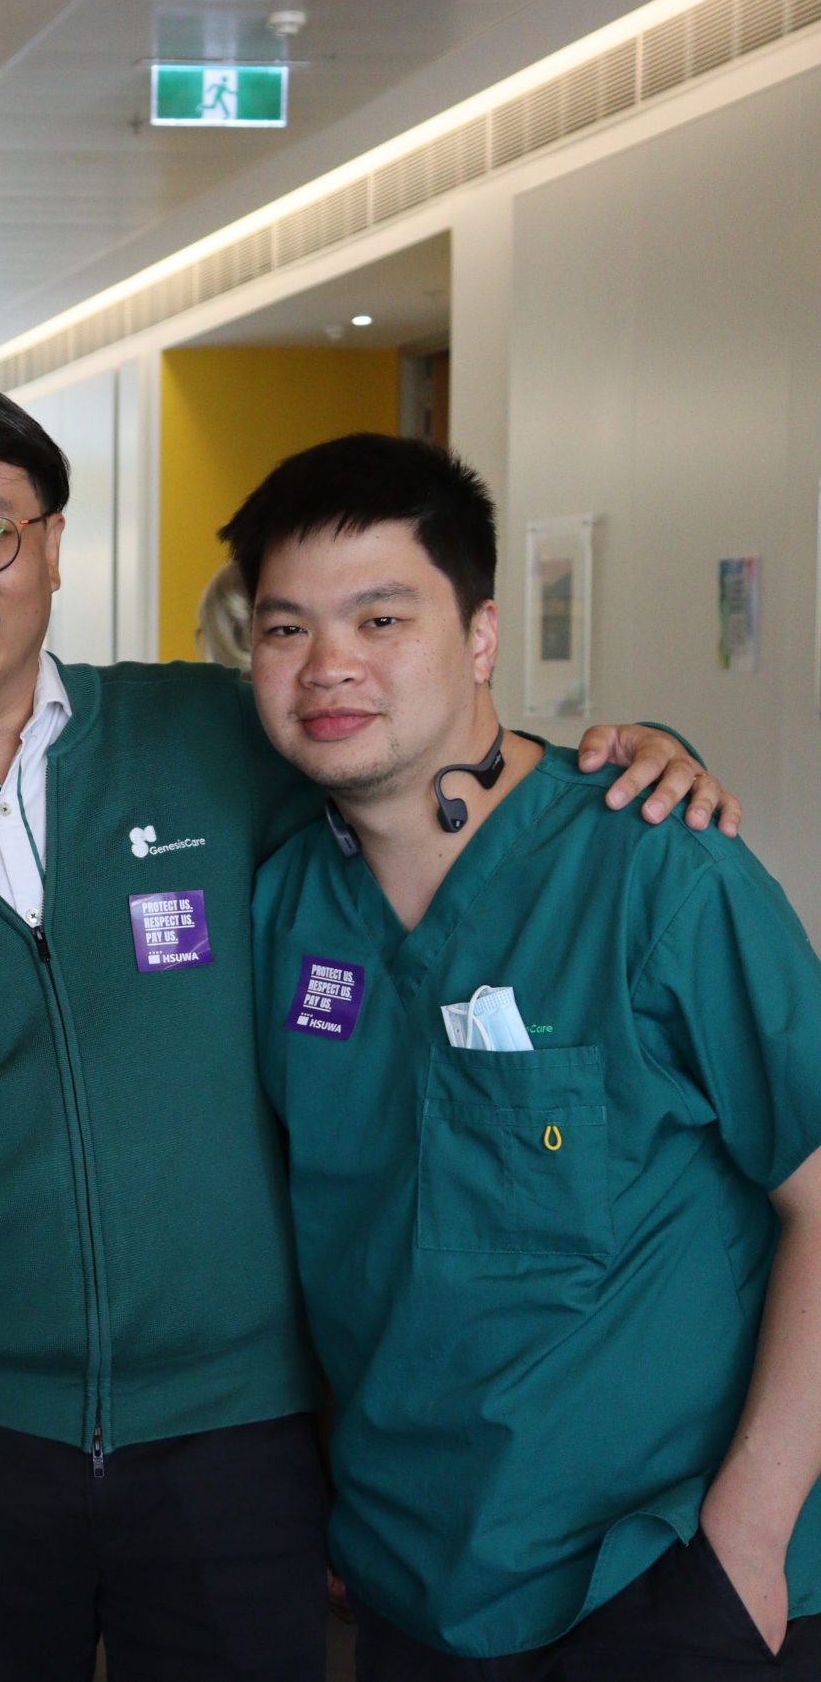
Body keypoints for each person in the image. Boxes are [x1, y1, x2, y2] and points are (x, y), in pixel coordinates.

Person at [0, 380, 740, 1680]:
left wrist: (638, 759)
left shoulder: (210, 734)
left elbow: (439, 767)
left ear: (48, 545)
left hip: (243, 1435)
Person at [230, 434, 821, 1679]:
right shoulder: (285, 911)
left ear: (483, 637)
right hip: (410, 1580)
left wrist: (747, 1545)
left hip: (659, 1574)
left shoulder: (657, 866)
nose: (328, 666)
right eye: (284, 630)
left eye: (380, 616)